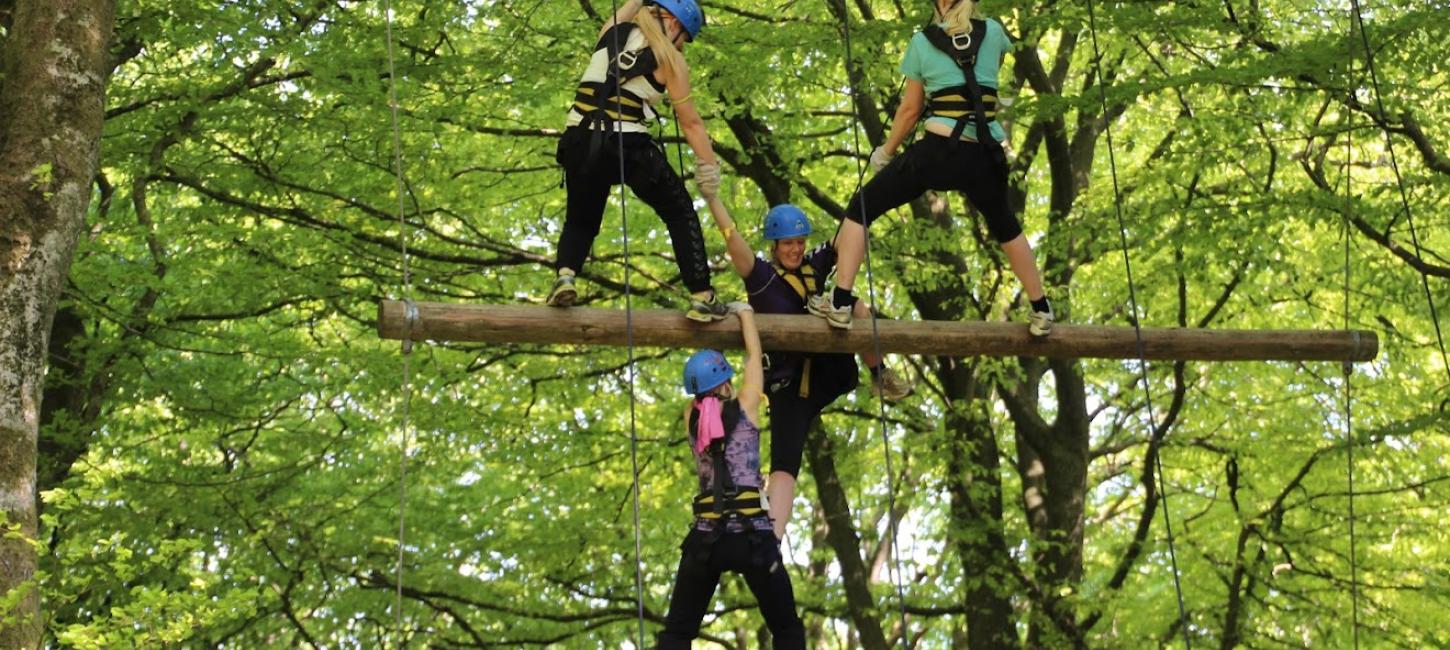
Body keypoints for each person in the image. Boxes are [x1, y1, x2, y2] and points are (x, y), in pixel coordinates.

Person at [806, 0, 1056, 336]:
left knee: (862, 208)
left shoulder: (922, 43)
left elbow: (910, 111)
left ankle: (840, 303)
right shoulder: (994, 32)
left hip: (936, 152)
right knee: (1007, 226)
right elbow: (985, 74)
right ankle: (1041, 309)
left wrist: (886, 151)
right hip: (984, 154)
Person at [699, 195, 912, 539]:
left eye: (800, 242)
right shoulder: (763, 278)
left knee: (853, 305)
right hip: (788, 386)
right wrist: (713, 198)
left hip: (829, 371)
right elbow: (732, 239)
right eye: (788, 244)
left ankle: (879, 375)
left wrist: (869, 194)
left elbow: (850, 231)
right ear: (775, 246)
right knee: (785, 462)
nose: (795, 250)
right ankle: (772, 541)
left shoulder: (815, 266)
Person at [547, 0, 729, 322]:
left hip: (577, 141)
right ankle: (702, 295)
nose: (683, 48)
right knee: (680, 211)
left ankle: (565, 275)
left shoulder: (610, 32)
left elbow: (626, 11)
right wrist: (709, 166)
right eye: (684, 39)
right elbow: (691, 123)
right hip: (625, 145)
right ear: (673, 23)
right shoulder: (671, 59)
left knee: (581, 220)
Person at [658, 306, 806, 649]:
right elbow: (755, 356)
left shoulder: (689, 418)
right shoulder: (747, 403)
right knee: (787, 631)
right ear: (725, 382)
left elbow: (703, 400)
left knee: (677, 633)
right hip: (753, 538)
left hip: (705, 540)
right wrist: (745, 315)